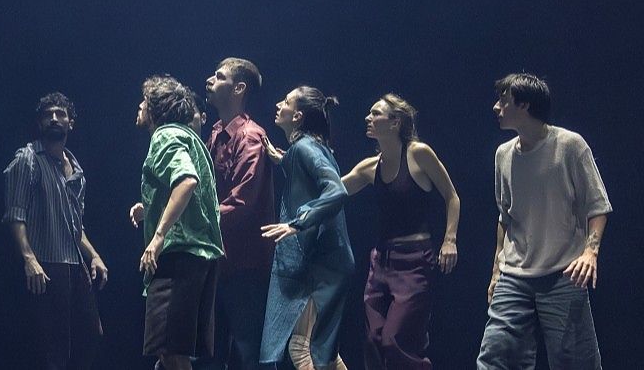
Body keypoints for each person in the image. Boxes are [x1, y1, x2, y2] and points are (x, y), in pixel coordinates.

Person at [476, 74, 611, 370]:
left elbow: (597, 206)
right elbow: (505, 218)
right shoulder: (503, 155)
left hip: (563, 273)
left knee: (575, 362)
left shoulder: (570, 145)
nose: (496, 107)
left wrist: (590, 252)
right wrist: (496, 270)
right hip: (514, 275)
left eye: (503, 100)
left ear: (524, 105)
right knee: (495, 357)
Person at [339, 95, 460, 370]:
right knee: (372, 339)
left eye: (375, 113)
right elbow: (333, 190)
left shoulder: (418, 154)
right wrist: (292, 161)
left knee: (395, 342)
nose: (368, 118)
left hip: (414, 261)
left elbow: (452, 196)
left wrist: (449, 240)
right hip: (380, 262)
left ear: (395, 123)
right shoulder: (370, 167)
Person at [3, 92, 107, 369]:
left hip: (74, 265)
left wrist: (94, 256)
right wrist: (29, 259)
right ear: (39, 123)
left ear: (70, 122)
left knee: (90, 336)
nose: (53, 119)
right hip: (47, 264)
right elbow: (15, 214)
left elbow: (76, 226)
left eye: (60, 114)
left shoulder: (76, 170)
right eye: (47, 115)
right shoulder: (28, 159)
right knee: (52, 348)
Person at [128, 75, 223, 370]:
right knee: (172, 353)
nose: (140, 106)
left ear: (157, 108)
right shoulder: (190, 138)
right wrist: (151, 208)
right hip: (200, 256)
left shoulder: (165, 135)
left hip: (179, 256)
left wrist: (157, 237)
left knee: (170, 352)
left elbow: (186, 181)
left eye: (145, 101)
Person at [260, 87, 353, 370]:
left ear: (298, 116)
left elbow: (336, 190)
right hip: (329, 260)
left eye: (286, 102)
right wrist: (283, 159)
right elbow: (308, 179)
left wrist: (297, 222)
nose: (279, 104)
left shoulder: (305, 148)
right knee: (325, 353)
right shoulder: (307, 147)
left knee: (303, 348)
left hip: (323, 262)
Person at [196, 58, 275, 370]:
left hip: (245, 265)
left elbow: (242, 202)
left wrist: (195, 224)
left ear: (239, 88)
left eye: (219, 77)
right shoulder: (216, 133)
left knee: (248, 354)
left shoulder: (251, 137)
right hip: (218, 261)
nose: (209, 80)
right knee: (210, 354)